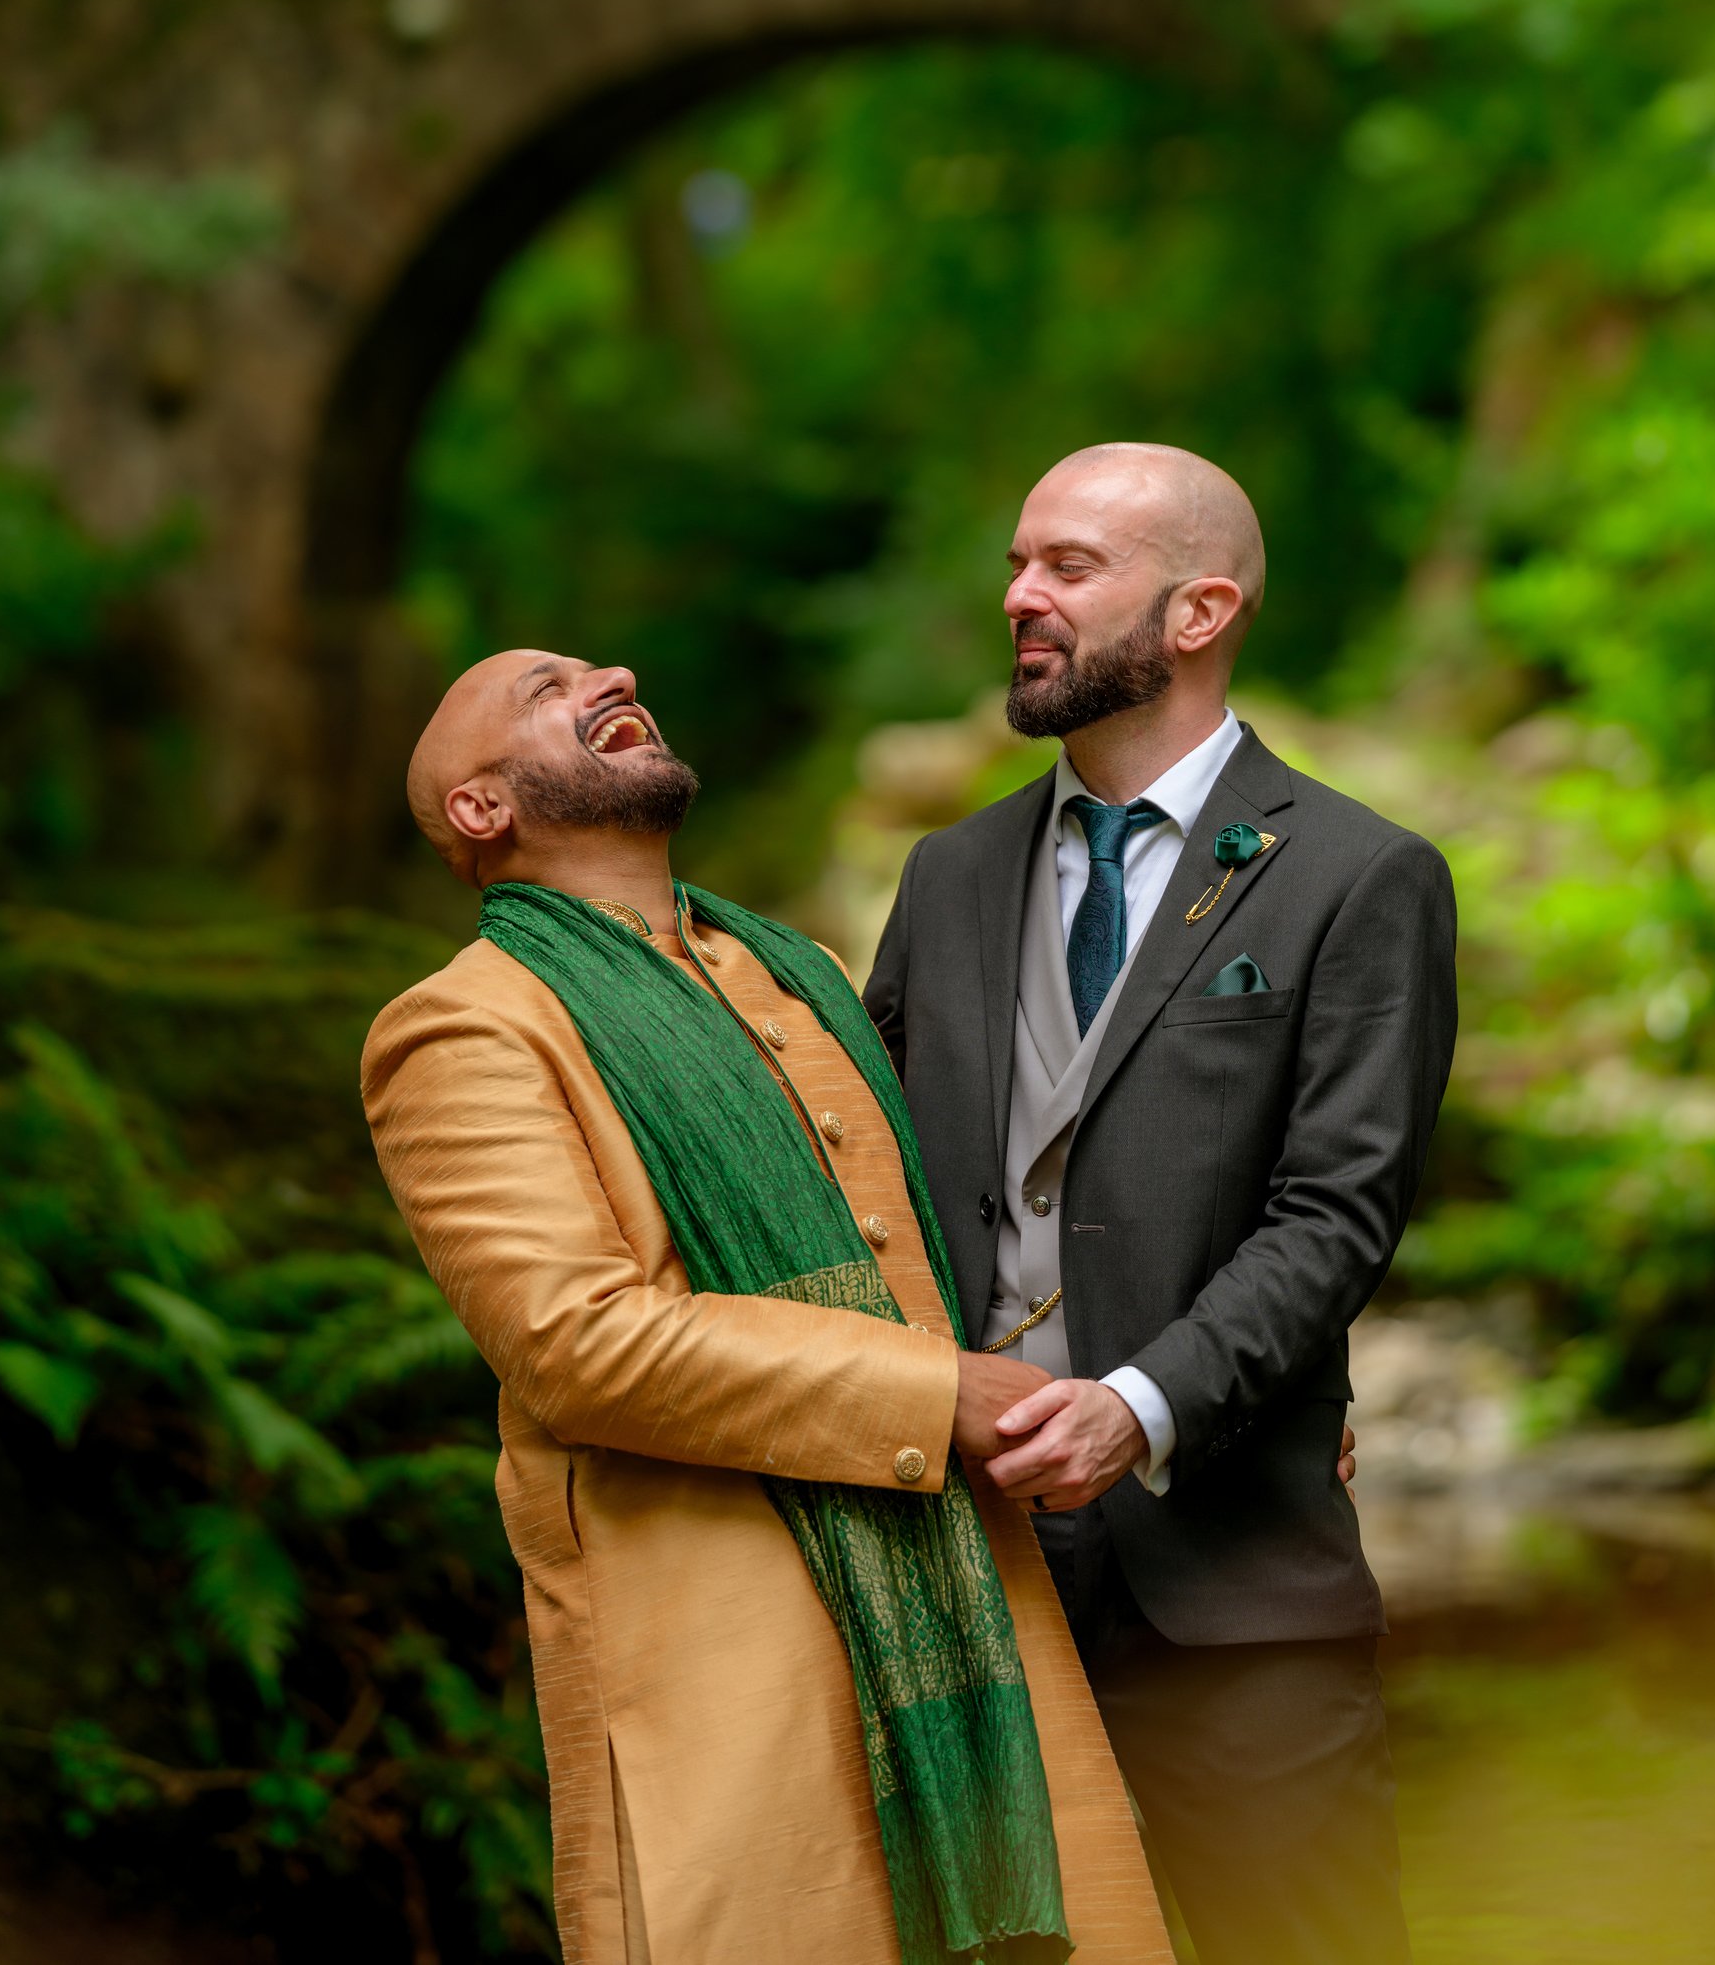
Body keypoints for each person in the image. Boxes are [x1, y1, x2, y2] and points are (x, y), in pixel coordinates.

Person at [361, 647, 1172, 1965]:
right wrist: (937, 1394)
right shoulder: (463, 1028)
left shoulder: (793, 974)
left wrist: (1192, 1392)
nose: (611, 671)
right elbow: (578, 1347)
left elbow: (975, 1242)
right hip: (720, 1640)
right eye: (546, 688)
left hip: (968, 1593)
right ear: (479, 807)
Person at [864, 445, 1458, 1965]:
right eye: (1017, 563)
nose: (1021, 596)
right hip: (966, 1583)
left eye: (1069, 566)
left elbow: (1338, 1213)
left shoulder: (1359, 874)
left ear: (1200, 611)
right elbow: (866, 1181)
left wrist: (1143, 1405)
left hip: (1237, 1589)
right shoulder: (946, 876)